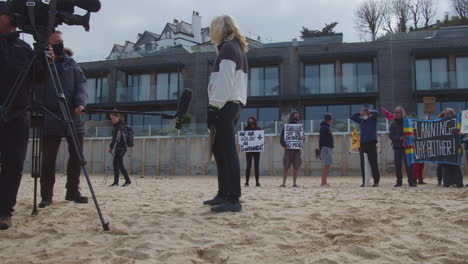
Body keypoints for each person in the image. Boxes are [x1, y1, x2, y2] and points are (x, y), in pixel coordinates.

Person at [38, 31, 88, 208]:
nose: (59, 45)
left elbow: (81, 84)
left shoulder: (71, 63)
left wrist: (80, 103)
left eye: (61, 41)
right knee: (48, 159)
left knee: (77, 155)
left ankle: (72, 190)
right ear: (48, 45)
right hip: (51, 115)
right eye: (55, 42)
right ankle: (46, 195)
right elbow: (36, 85)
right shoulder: (41, 64)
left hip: (73, 115)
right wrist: (47, 63)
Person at [204, 15, 248, 213]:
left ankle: (233, 198)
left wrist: (213, 107)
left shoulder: (229, 49)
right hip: (231, 103)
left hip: (225, 105)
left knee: (227, 153)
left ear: (218, 30)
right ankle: (224, 194)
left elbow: (225, 81)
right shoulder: (234, 47)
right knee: (221, 152)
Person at [0, 2, 33, 230]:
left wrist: (43, 59)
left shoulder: (24, 48)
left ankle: (4, 211)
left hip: (17, 114)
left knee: (14, 165)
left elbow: (37, 80)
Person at [351, 105, 380, 187]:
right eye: (362, 113)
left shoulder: (373, 119)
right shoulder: (361, 121)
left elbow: (376, 112)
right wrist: (359, 113)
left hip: (371, 144)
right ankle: (364, 182)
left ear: (367, 113)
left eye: (364, 113)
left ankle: (376, 181)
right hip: (363, 144)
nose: (362, 115)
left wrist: (368, 112)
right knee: (363, 164)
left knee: (373, 163)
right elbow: (352, 117)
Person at [388, 106, 416, 187]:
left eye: (398, 112)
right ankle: (399, 181)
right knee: (398, 165)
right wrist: (399, 138)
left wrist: (406, 140)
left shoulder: (407, 122)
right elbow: (391, 136)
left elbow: (412, 133)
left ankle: (411, 181)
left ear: (402, 113)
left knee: (409, 165)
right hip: (397, 147)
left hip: (407, 147)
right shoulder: (393, 124)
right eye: (395, 112)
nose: (396, 114)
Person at [439, 108, 464, 188]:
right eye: (446, 114)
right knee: (446, 166)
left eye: (449, 114)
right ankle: (446, 183)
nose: (447, 115)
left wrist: (461, 135)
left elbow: (462, 137)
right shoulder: (440, 124)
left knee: (455, 166)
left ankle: (459, 183)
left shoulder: (457, 123)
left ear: (452, 115)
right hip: (445, 148)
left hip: (455, 148)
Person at [280, 111, 305, 187]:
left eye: (297, 116)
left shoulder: (299, 127)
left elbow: (302, 138)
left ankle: (294, 183)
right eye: (295, 116)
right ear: (292, 116)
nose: (297, 118)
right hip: (288, 150)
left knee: (296, 167)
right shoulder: (286, 127)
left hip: (297, 150)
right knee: (286, 167)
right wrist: (285, 145)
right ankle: (283, 183)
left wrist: (303, 138)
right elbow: (281, 138)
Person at [108, 111, 131, 187]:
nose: (112, 120)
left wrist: (111, 147)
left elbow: (116, 138)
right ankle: (123, 181)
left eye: (113, 118)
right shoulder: (116, 126)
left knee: (117, 164)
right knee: (118, 164)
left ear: (118, 117)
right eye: (111, 118)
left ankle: (121, 181)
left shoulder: (120, 126)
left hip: (121, 147)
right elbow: (115, 138)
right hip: (119, 147)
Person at [244, 116, 261, 187]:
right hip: (249, 150)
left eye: (252, 121)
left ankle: (257, 182)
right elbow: (244, 138)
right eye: (249, 121)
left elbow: (261, 137)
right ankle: (247, 182)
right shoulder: (246, 129)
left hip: (256, 150)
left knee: (256, 165)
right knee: (248, 166)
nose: (250, 122)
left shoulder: (258, 128)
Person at [319, 113, 334, 187]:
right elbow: (321, 139)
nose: (332, 120)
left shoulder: (326, 127)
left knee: (328, 165)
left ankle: (325, 181)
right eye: (331, 119)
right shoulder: (324, 127)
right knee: (326, 165)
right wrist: (320, 148)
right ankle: (323, 182)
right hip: (326, 148)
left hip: (328, 147)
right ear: (329, 119)